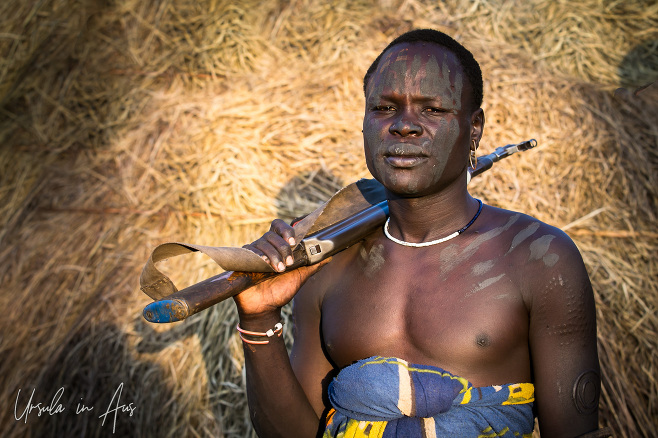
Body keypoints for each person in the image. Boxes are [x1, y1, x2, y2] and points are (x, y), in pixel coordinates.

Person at [233, 29, 603, 437]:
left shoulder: (537, 258)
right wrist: (259, 317)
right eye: (385, 107)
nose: (404, 126)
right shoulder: (330, 263)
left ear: (474, 128)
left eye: (431, 110)